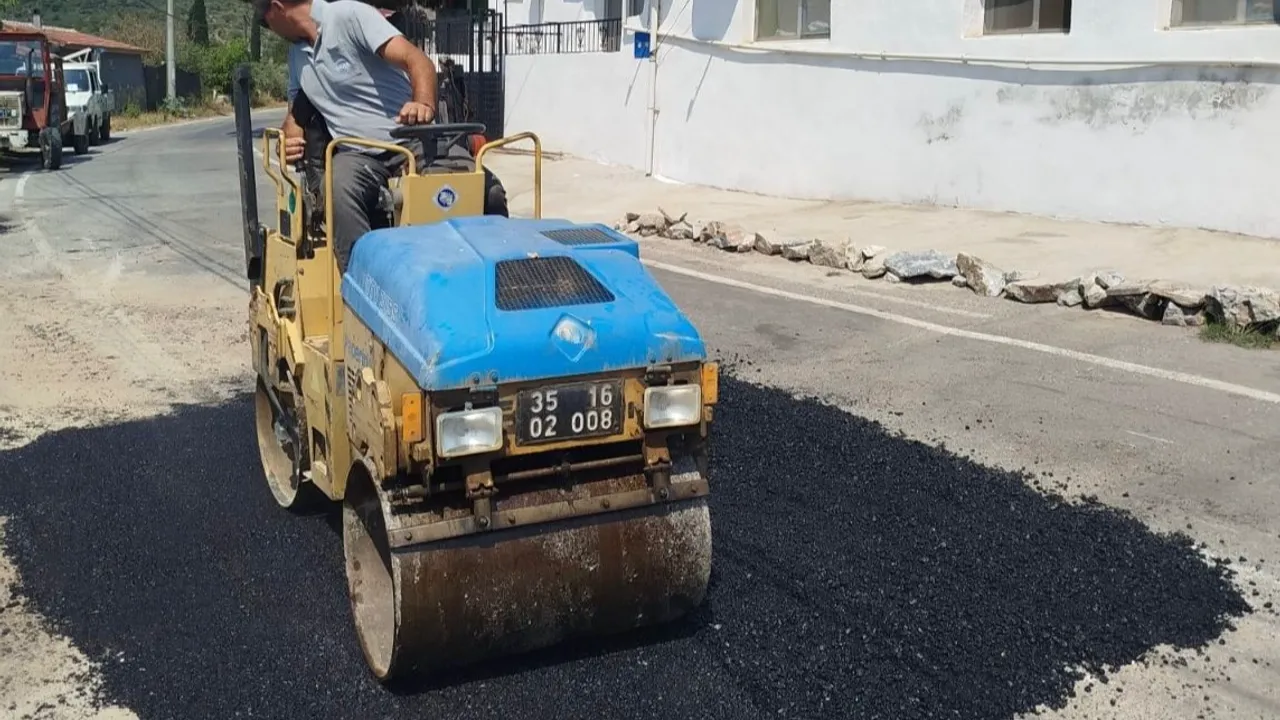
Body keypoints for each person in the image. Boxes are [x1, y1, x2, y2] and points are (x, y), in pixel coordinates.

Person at [254, 0, 509, 272]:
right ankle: (362, 282)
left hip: (411, 140)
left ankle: (501, 273)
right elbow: (296, 114)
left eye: (265, 21)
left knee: (485, 190)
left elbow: (417, 60)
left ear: (277, 8)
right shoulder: (297, 55)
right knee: (337, 189)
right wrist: (287, 139)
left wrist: (423, 103)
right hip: (357, 152)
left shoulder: (348, 16)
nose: (268, 29)